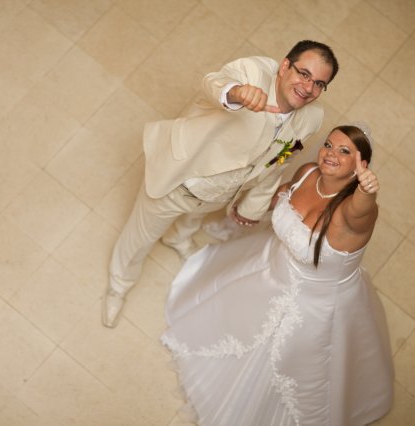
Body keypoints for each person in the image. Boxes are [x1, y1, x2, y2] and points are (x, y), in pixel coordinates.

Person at [161, 124, 394, 425]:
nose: (330, 154)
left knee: (293, 363)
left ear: (360, 166)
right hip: (273, 267)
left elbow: (362, 211)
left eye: (344, 151)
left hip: (314, 306)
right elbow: (280, 199)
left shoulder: (352, 214)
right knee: (239, 318)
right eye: (328, 145)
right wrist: (249, 202)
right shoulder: (308, 172)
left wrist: (366, 191)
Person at [103, 40, 339, 328]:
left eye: (319, 84)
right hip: (179, 177)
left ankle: (177, 238)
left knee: (194, 218)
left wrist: (252, 207)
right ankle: (118, 285)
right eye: (303, 74)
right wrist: (236, 93)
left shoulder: (312, 118)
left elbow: (278, 163)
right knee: (138, 239)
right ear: (285, 66)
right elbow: (214, 83)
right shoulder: (252, 71)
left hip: (223, 192)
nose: (308, 87)